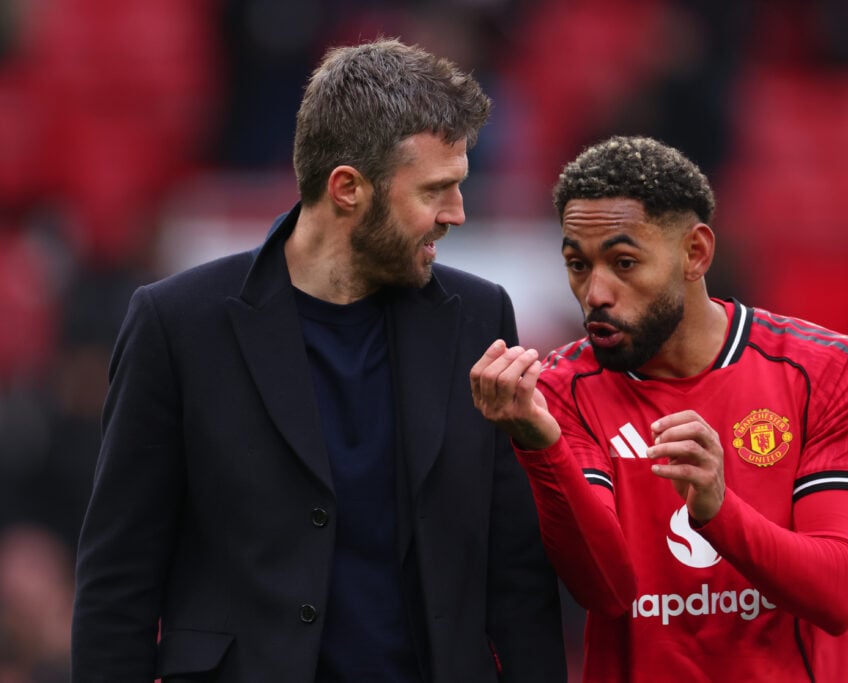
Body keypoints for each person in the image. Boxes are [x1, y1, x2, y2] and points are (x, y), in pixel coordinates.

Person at [71, 38, 565, 683]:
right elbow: (118, 578)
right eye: (436, 190)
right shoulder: (179, 325)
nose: (458, 214)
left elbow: (516, 571)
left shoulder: (479, 319)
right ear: (347, 189)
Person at [470, 135, 848, 682]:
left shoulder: (827, 370)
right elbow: (606, 587)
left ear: (695, 253)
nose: (595, 291)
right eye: (577, 264)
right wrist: (539, 444)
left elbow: (841, 593)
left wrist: (719, 510)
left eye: (624, 262)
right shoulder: (563, 391)